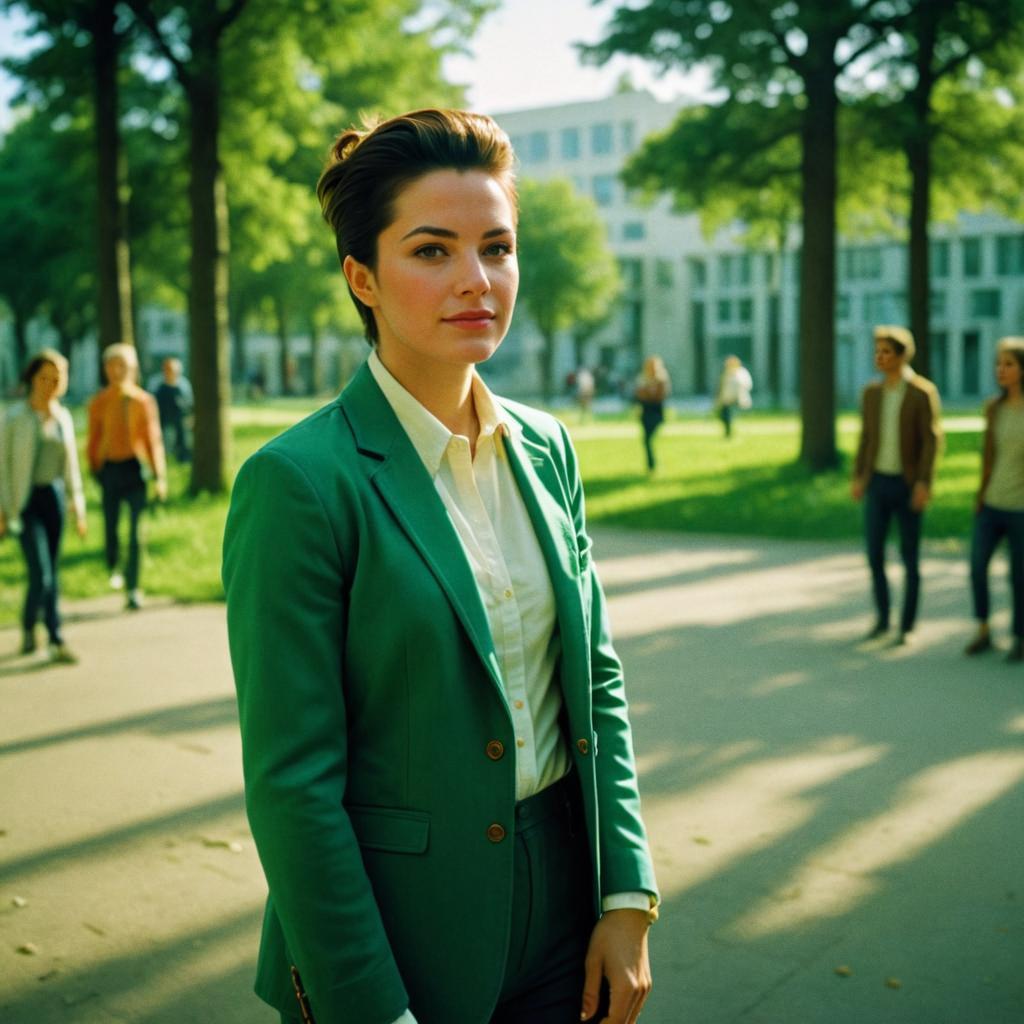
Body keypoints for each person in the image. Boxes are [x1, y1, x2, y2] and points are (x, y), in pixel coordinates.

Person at [223, 109, 658, 1024]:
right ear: (362, 278)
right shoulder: (300, 483)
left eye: (496, 248)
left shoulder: (548, 449)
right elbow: (293, 787)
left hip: (565, 907)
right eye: (432, 251)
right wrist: (367, 1005)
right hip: (391, 929)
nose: (476, 280)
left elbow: (596, 683)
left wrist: (627, 895)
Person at [851, 325, 942, 646]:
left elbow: (931, 442)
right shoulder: (871, 394)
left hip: (907, 485)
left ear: (902, 355)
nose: (880, 357)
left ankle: (906, 625)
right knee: (874, 554)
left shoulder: (921, 392)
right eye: (877, 351)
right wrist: (859, 477)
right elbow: (866, 439)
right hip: (877, 483)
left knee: (909, 557)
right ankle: (882, 617)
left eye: (886, 351)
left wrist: (923, 483)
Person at [0, 349, 86, 662]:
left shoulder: (62, 417)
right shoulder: (14, 418)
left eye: (56, 378)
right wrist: (3, 508)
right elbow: (3, 466)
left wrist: (78, 504)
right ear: (32, 378)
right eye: (44, 377)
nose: (49, 384)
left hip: (54, 498)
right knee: (41, 573)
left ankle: (54, 637)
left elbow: (71, 466)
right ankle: (29, 628)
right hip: (25, 501)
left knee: (52, 571)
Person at [87, 343, 167, 611]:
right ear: (106, 370)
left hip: (136, 470)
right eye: (112, 365)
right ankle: (113, 565)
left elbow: (153, 439)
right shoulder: (98, 403)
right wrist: (93, 466)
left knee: (135, 532)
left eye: (122, 365)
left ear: (132, 368)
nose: (117, 370)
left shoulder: (144, 401)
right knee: (111, 528)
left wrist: (160, 476)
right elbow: (93, 439)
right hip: (110, 470)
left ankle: (133, 587)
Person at [965, 337, 1024, 661]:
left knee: (1019, 577)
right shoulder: (994, 408)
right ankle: (984, 629)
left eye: (1009, 364)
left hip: (1021, 509)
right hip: (991, 502)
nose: (1000, 370)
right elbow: (989, 457)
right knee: (977, 567)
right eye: (998, 364)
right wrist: (980, 494)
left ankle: (1019, 636)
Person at [151, 356, 193, 462]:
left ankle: (183, 459)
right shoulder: (155, 384)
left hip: (179, 418)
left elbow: (190, 404)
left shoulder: (184, 385)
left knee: (183, 440)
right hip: (161, 417)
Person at [634, 355, 670, 474]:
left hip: (656, 413)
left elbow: (658, 396)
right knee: (646, 440)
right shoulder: (643, 379)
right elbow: (639, 395)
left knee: (649, 439)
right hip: (645, 412)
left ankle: (652, 465)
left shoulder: (662, 379)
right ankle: (651, 466)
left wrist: (648, 393)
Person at [714, 355, 752, 438]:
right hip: (726, 400)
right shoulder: (725, 373)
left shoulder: (741, 373)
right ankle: (728, 432)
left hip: (737, 400)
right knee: (723, 417)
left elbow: (746, 385)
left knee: (731, 417)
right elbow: (721, 387)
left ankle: (731, 433)